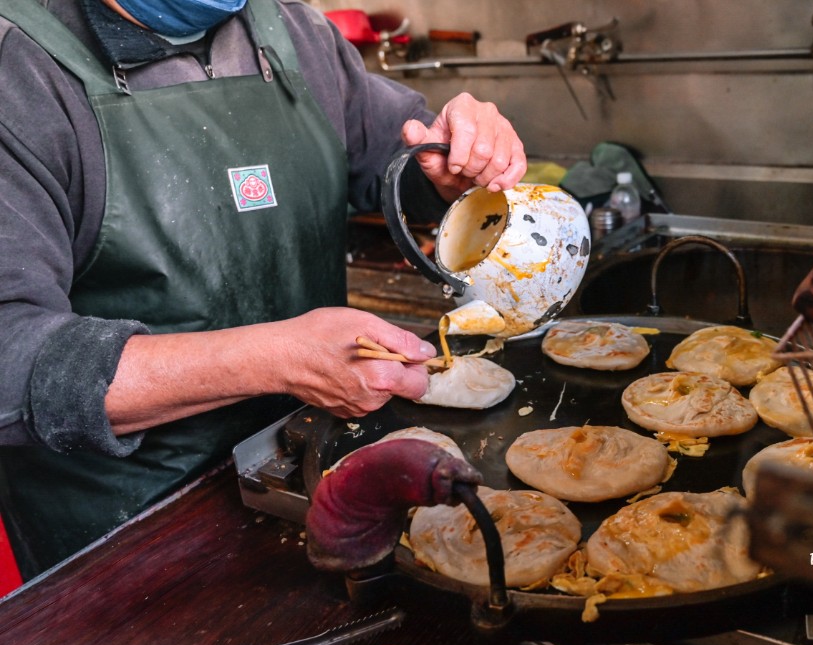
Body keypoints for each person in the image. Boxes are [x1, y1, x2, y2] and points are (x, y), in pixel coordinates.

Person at [0, 0, 527, 578]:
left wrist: (452, 165)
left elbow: (398, 159)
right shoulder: (21, 70)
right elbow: (11, 357)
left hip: (319, 478)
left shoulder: (293, 31)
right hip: (128, 535)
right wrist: (273, 360)